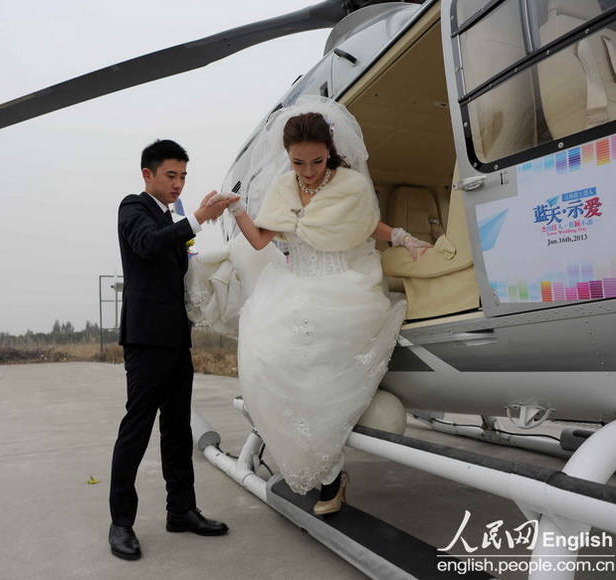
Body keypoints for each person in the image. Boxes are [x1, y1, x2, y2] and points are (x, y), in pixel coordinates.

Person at [217, 97, 429, 515]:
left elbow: (368, 225)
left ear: (330, 150)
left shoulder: (350, 185)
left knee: (318, 365)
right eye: (298, 163)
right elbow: (261, 240)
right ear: (289, 158)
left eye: (316, 161)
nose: (308, 171)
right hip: (294, 283)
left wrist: (403, 238)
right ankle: (320, 468)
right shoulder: (282, 189)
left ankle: (331, 473)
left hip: (342, 285)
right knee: (264, 354)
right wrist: (238, 208)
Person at [108, 139, 237, 561]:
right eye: (171, 175)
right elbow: (148, 244)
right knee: (137, 428)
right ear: (148, 175)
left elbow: (182, 263)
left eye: (183, 176)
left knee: (178, 428)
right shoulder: (134, 208)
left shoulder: (173, 216)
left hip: (177, 338)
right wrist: (197, 218)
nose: (178, 183)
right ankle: (121, 522)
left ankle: (181, 510)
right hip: (146, 340)